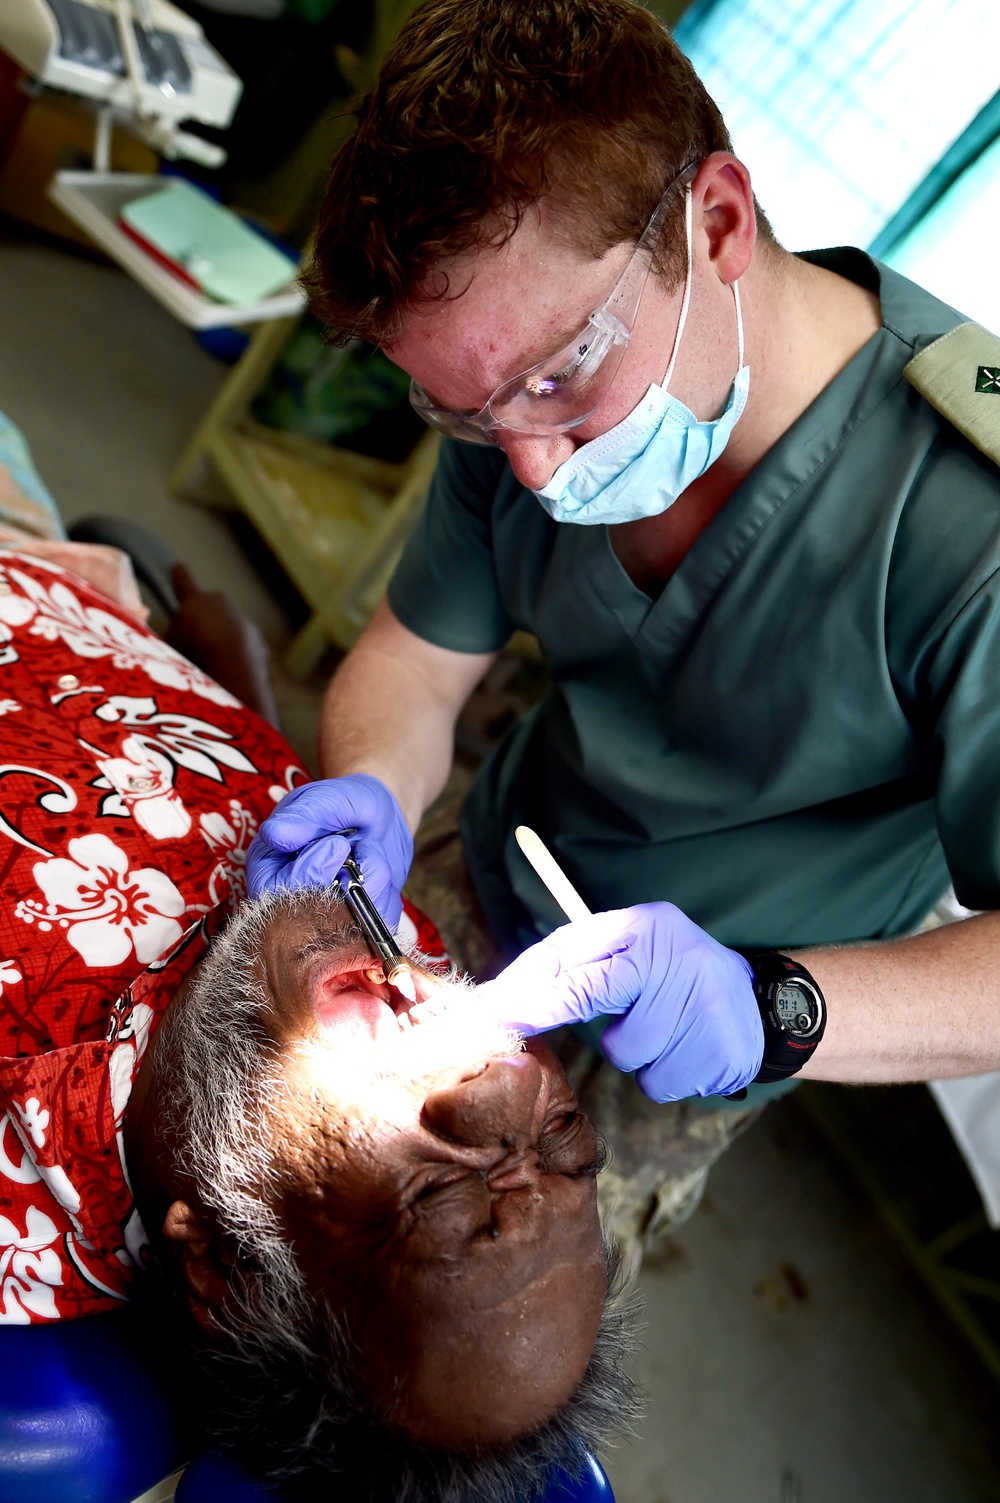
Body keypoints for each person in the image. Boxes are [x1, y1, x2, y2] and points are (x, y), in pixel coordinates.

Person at [246, 0, 1000, 1260]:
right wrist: (373, 778)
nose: (532, 470)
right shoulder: (507, 372)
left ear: (717, 221)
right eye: (473, 418)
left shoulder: (964, 528)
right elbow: (418, 663)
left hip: (722, 1020)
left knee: (484, 1315)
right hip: (486, 883)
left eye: (560, 379)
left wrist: (775, 1008)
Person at [0, 429, 637, 1497]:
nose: (489, 1073)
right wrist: (236, 685)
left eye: (439, 1195)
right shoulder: (365, 962)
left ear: (213, 1259)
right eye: (561, 1139)